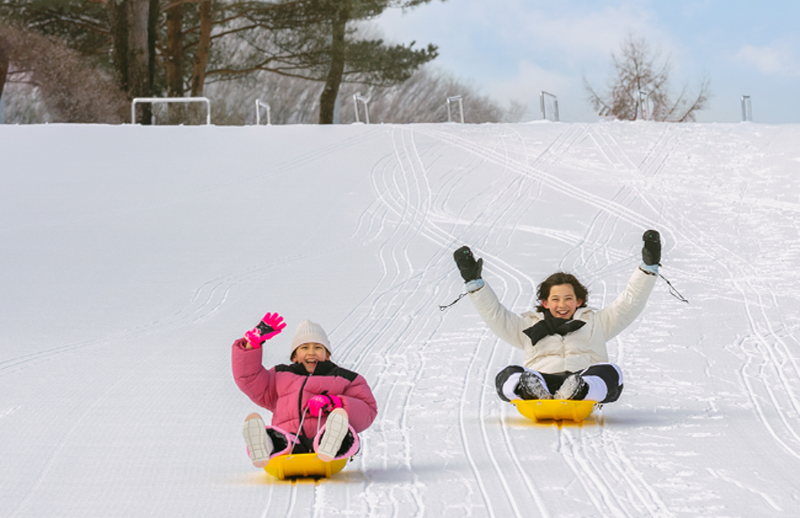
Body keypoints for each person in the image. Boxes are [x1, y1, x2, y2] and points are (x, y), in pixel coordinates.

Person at [452, 230, 662, 405]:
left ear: (579, 301)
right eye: (555, 299)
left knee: (611, 372)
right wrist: (474, 282)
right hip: (541, 379)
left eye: (568, 298)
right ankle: (530, 390)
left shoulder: (596, 323)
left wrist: (647, 268)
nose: (562, 305)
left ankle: (579, 391)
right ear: (545, 302)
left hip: (582, 378)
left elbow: (629, 303)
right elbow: (494, 314)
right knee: (507, 373)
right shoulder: (527, 327)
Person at [232, 314, 378, 467]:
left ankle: (328, 444)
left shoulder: (346, 378)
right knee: (278, 438)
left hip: (325, 441)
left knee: (342, 431)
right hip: (290, 443)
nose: (311, 352)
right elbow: (248, 377)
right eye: (304, 347)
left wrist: (334, 403)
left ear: (327, 354)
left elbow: (367, 411)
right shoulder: (278, 377)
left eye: (318, 347)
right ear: (294, 356)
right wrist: (251, 345)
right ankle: (264, 445)